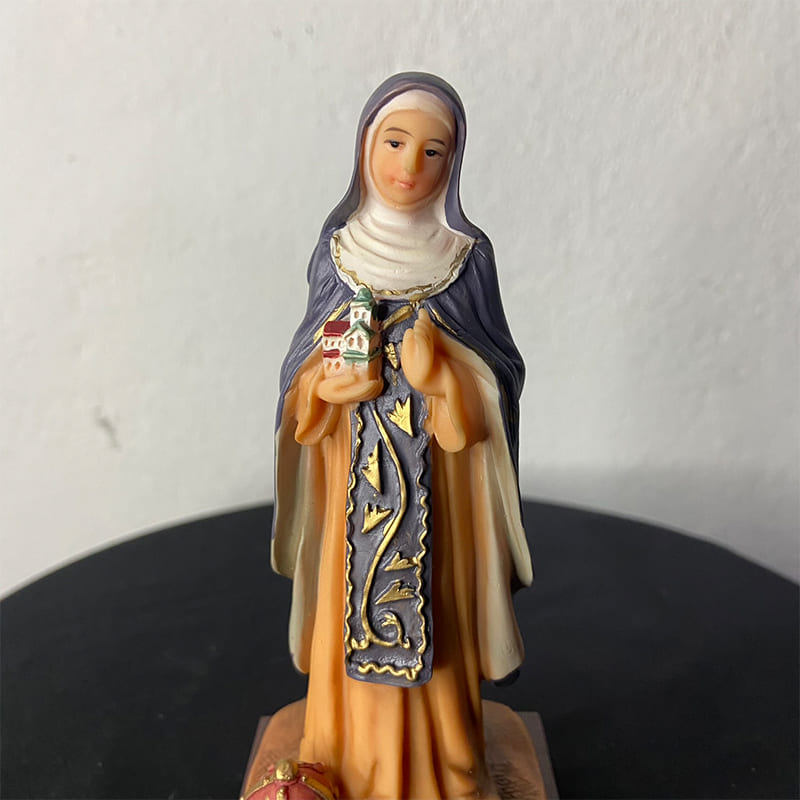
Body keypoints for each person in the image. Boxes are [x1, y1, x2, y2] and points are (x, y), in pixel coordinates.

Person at [271, 72, 532, 800]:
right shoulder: (338, 253)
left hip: (438, 494)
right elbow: (302, 374)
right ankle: (349, 761)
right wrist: (326, 389)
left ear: (453, 162)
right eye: (394, 142)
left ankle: (444, 768)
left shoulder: (465, 260)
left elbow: (499, 376)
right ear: (365, 146)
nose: (409, 165)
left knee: (435, 615)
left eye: (432, 150)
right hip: (351, 484)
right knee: (349, 612)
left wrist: (444, 376)